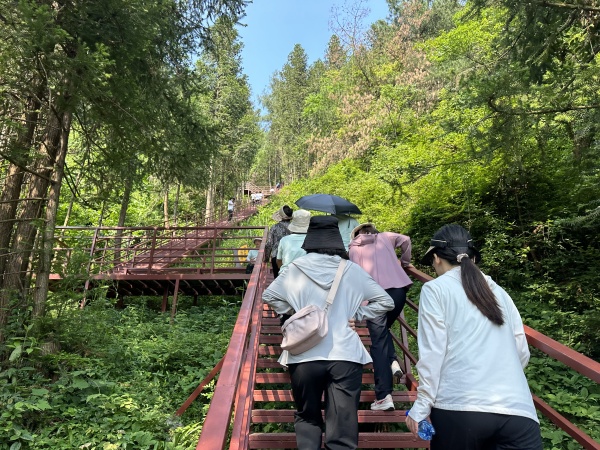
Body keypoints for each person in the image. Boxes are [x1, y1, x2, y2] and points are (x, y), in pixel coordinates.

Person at [262, 216, 394, 450]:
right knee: (343, 427)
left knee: (307, 417)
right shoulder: (352, 270)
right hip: (345, 356)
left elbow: (269, 295)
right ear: (336, 240)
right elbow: (386, 302)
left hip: (304, 355)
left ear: (309, 240)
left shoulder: (294, 269)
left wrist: (294, 312)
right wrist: (358, 314)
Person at [406, 224, 542, 449]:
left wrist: (422, 406)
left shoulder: (435, 289)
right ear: (474, 258)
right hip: (518, 411)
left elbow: (433, 354)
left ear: (436, 258)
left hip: (460, 408)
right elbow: (521, 350)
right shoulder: (500, 292)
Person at [348, 223, 413, 411]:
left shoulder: (353, 248)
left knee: (378, 342)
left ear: (357, 234)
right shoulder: (385, 237)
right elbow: (406, 240)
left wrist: (356, 305)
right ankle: (393, 362)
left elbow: (355, 277)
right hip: (397, 293)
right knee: (383, 333)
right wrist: (405, 263)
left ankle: (384, 396)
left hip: (374, 298)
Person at [276, 209, 311, 274]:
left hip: (286, 274)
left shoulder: (284, 240)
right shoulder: (313, 240)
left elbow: (279, 261)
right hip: (306, 274)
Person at [264, 205, 293, 278]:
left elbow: (269, 244)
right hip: (291, 256)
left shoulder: (274, 227)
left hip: (276, 256)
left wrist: (267, 257)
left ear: (280, 216)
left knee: (277, 279)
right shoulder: (295, 227)